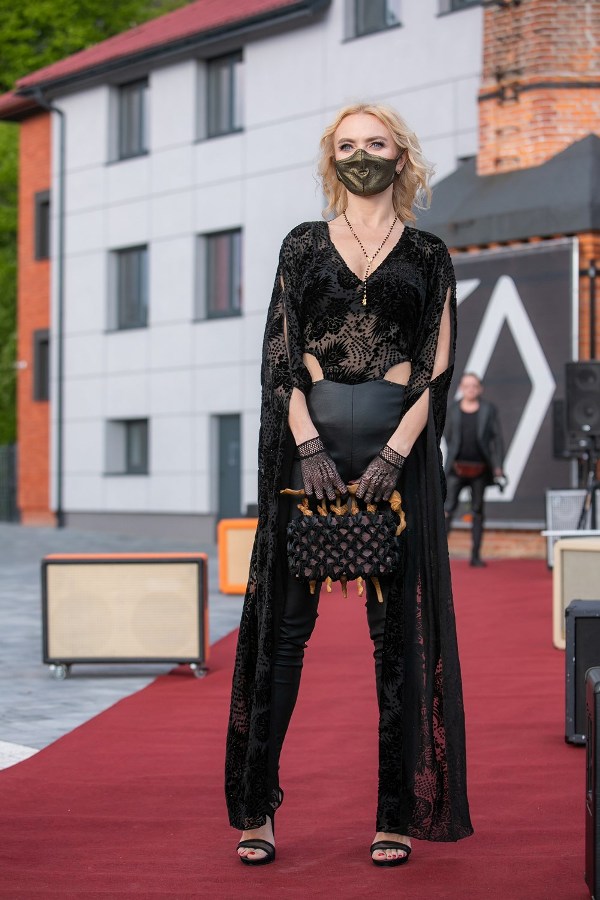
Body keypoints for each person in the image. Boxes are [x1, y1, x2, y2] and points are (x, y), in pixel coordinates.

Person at [225, 102, 473, 868]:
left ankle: (394, 814)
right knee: (284, 636)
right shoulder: (302, 245)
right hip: (309, 455)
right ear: (331, 159)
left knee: (396, 642)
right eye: (346, 145)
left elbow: (436, 367)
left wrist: (396, 455)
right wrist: (307, 446)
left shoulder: (429, 253)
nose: (360, 154)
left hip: (397, 452)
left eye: (375, 142)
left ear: (401, 155)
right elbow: (280, 358)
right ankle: (258, 808)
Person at [444, 372, 505, 567]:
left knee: (478, 510)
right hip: (456, 468)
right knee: (448, 508)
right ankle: (439, 554)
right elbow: (448, 436)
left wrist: (498, 466)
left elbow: (497, 439)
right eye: (467, 386)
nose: (470, 389)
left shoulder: (488, 410)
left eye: (474, 386)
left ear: (480, 389)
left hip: (480, 468)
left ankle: (475, 555)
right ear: (461, 388)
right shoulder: (453, 409)